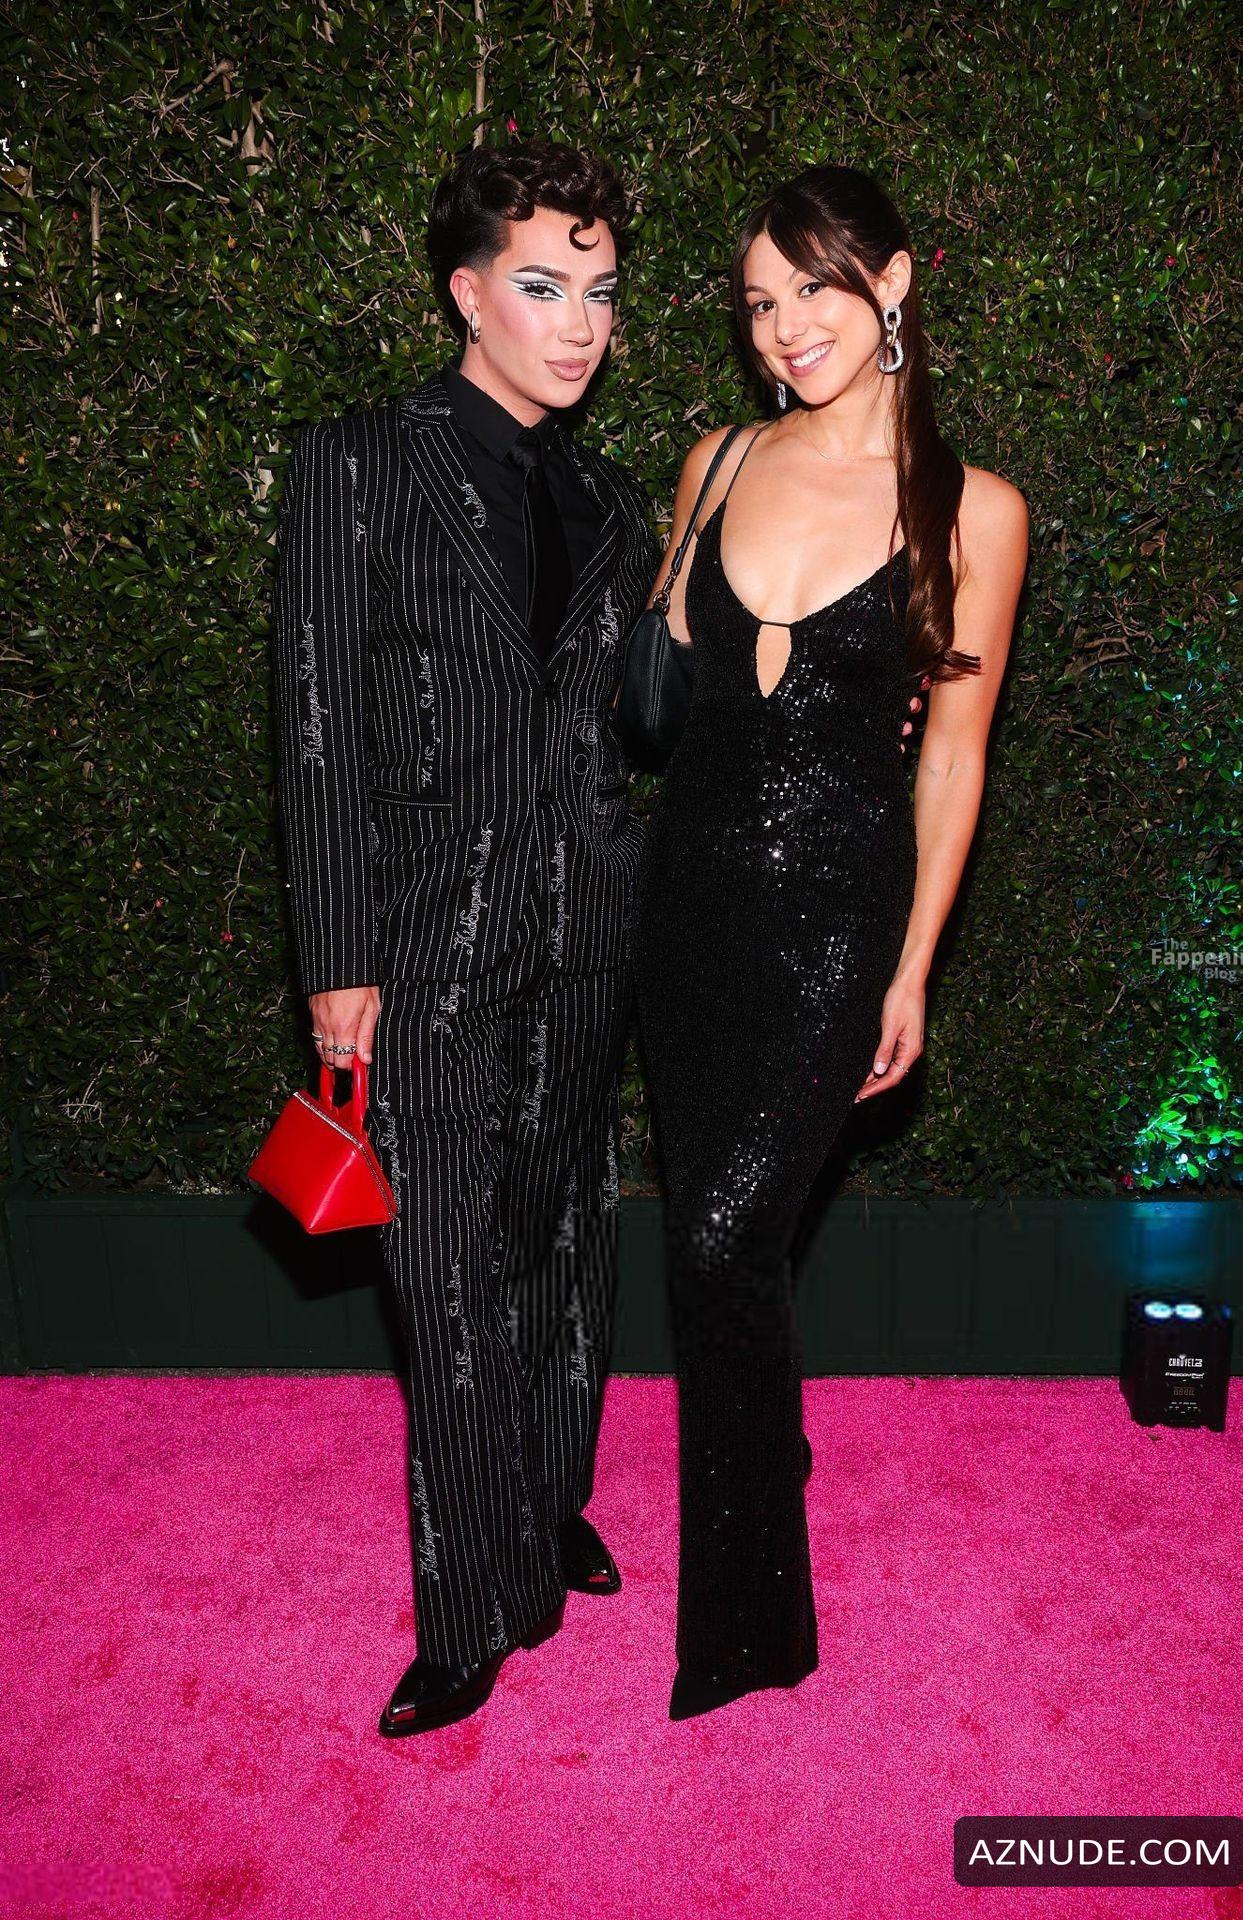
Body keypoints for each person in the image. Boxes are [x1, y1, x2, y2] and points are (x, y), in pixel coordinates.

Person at [270, 140, 659, 1736]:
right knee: (444, 1270)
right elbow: (315, 727)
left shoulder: (613, 497)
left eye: (603, 293)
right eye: (544, 287)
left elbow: (638, 710)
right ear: (466, 293)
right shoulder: (359, 461)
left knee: (567, 1239)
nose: (580, 325)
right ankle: (464, 1605)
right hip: (424, 939)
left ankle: (546, 1506)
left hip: (590, 927)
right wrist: (337, 957)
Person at [631, 164, 1028, 1721]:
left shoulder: (971, 510)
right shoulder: (717, 462)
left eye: (812, 286)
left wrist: (913, 964)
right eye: (758, 301)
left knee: (725, 1243)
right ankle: (766, 1439)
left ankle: (750, 1627)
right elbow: (661, 693)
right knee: (721, 1244)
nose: (784, 325)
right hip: (689, 903)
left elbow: (955, 759)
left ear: (895, 282)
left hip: (836, 920)